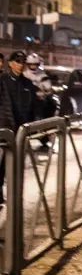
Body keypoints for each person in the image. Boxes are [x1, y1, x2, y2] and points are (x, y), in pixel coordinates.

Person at [0, 51, 37, 205]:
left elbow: (33, 108)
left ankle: (15, 196)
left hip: (20, 130)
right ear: (10, 63)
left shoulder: (28, 84)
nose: (20, 64)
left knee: (16, 166)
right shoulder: (2, 80)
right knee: (1, 164)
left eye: (22, 61)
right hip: (3, 129)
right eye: (17, 61)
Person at [25, 54, 57, 153]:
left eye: (35, 64)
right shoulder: (24, 74)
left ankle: (44, 141)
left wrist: (43, 93)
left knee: (42, 122)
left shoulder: (43, 76)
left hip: (39, 104)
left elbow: (49, 90)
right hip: (26, 103)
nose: (33, 66)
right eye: (31, 64)